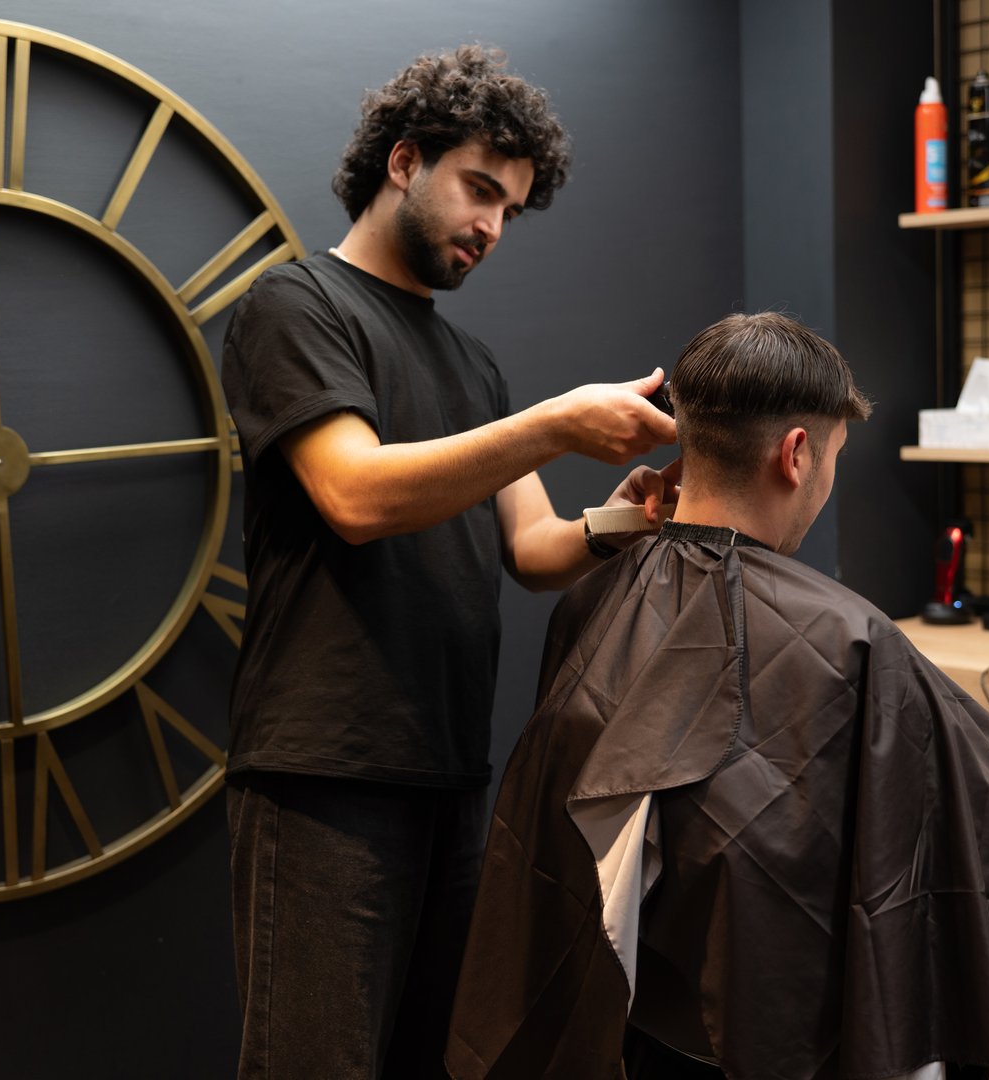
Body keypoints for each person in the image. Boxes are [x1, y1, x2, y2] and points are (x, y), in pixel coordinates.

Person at [445, 313, 989, 1080]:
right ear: (796, 453)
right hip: (771, 1026)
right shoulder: (849, 641)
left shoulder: (596, 599)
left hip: (637, 1012)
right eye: (833, 457)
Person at [219, 46, 680, 1079]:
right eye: (479, 191)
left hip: (450, 772)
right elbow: (352, 493)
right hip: (320, 773)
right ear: (403, 160)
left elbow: (531, 549)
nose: (489, 228)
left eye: (510, 211)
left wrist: (623, 519)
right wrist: (557, 423)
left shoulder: (469, 365)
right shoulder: (293, 309)